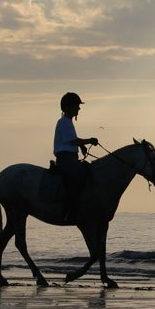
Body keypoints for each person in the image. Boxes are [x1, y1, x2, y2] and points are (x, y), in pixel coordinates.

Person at [54, 93, 98, 223]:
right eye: (77, 106)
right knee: (80, 177)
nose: (79, 109)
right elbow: (73, 141)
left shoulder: (66, 122)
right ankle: (70, 210)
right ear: (68, 107)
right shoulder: (64, 122)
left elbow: (71, 141)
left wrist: (83, 147)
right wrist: (89, 140)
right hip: (66, 159)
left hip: (70, 157)